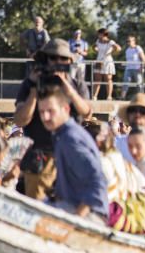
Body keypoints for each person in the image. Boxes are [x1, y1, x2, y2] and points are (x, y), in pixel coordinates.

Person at [13, 39, 92, 200]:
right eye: (53, 58)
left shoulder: (76, 84)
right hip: (40, 159)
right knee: (38, 211)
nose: (58, 62)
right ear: (45, 60)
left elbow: (87, 113)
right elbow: (20, 120)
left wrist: (67, 88)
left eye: (63, 59)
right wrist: (34, 90)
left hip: (70, 155)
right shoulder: (30, 84)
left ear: (70, 61)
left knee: (70, 208)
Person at [36, 85, 108, 223]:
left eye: (51, 111)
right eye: (41, 112)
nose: (45, 117)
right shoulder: (61, 135)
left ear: (66, 109)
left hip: (90, 216)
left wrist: (76, 220)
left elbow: (98, 182)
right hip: (71, 206)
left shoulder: (70, 139)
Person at [84, 118, 144, 205]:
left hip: (113, 210)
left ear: (97, 141)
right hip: (124, 205)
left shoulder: (103, 162)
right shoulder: (115, 156)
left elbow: (98, 197)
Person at [92, 28, 121, 100]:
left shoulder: (110, 42)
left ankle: (109, 96)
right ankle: (95, 96)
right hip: (99, 60)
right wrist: (96, 50)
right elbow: (94, 46)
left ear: (103, 34)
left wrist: (111, 52)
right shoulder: (98, 41)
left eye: (99, 34)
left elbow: (118, 48)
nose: (98, 35)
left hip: (107, 61)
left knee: (108, 79)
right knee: (97, 79)